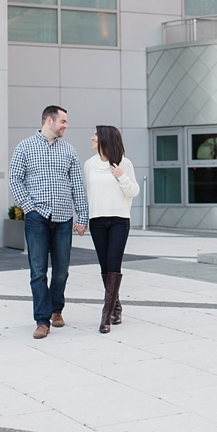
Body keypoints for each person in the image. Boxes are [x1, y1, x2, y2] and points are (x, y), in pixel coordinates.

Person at [9, 106, 88, 339]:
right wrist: (28, 208)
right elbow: (15, 179)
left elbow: (77, 185)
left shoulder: (69, 150)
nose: (66, 125)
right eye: (63, 121)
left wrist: (82, 216)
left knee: (61, 271)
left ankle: (57, 309)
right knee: (38, 271)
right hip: (37, 218)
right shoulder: (25, 147)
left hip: (64, 218)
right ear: (49, 120)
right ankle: (42, 320)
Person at [84, 125, 139, 333]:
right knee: (104, 267)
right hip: (97, 220)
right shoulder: (89, 165)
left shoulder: (125, 163)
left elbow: (133, 191)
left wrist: (122, 176)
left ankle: (105, 316)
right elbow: (88, 194)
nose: (92, 138)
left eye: (95, 136)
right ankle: (116, 306)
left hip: (119, 220)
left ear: (105, 139)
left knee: (114, 264)